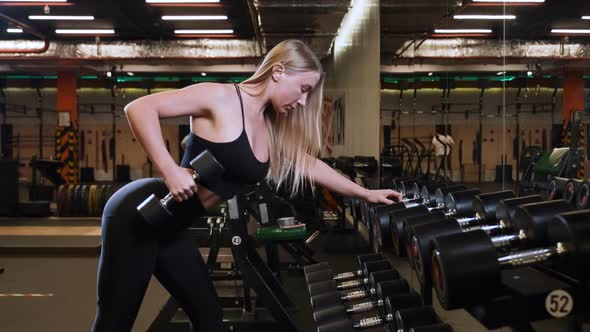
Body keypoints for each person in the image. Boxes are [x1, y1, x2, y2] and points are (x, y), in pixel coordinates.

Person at [91, 39, 402, 332]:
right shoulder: (221, 97)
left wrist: (364, 193)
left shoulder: (268, 126)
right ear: (278, 72)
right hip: (139, 215)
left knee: (209, 316)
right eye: (303, 88)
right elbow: (140, 108)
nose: (303, 100)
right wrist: (171, 170)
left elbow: (307, 164)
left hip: (171, 228)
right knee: (115, 321)